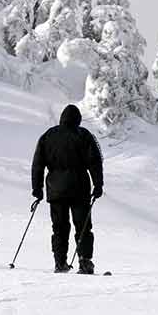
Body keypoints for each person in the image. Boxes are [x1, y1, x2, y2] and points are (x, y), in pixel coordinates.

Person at [31, 104, 104, 274]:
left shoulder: (48, 135)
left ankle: (60, 262)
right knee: (83, 227)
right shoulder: (84, 135)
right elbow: (95, 162)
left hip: (56, 190)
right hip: (80, 189)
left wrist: (37, 188)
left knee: (59, 227)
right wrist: (98, 184)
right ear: (78, 120)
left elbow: (38, 165)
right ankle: (85, 261)